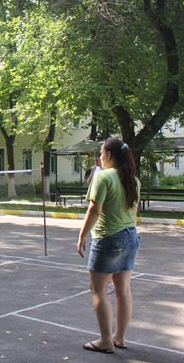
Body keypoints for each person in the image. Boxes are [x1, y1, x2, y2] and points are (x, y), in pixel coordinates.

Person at [77, 138, 141, 354]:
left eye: (101, 152)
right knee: (123, 291)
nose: (100, 156)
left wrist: (82, 235)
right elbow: (133, 211)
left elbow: (94, 210)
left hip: (109, 239)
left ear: (109, 154)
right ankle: (119, 338)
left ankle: (105, 341)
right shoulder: (133, 180)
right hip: (130, 236)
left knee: (98, 290)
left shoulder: (103, 177)